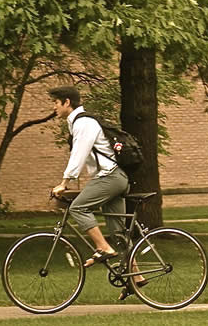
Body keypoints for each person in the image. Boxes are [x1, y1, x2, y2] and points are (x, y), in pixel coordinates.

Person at [49, 85, 146, 300]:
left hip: (110, 177)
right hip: (114, 178)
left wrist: (64, 182)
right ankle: (136, 277)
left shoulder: (84, 122)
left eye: (56, 102)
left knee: (78, 208)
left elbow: (79, 155)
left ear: (67, 102)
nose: (53, 107)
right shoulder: (78, 123)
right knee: (119, 233)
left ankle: (103, 247)